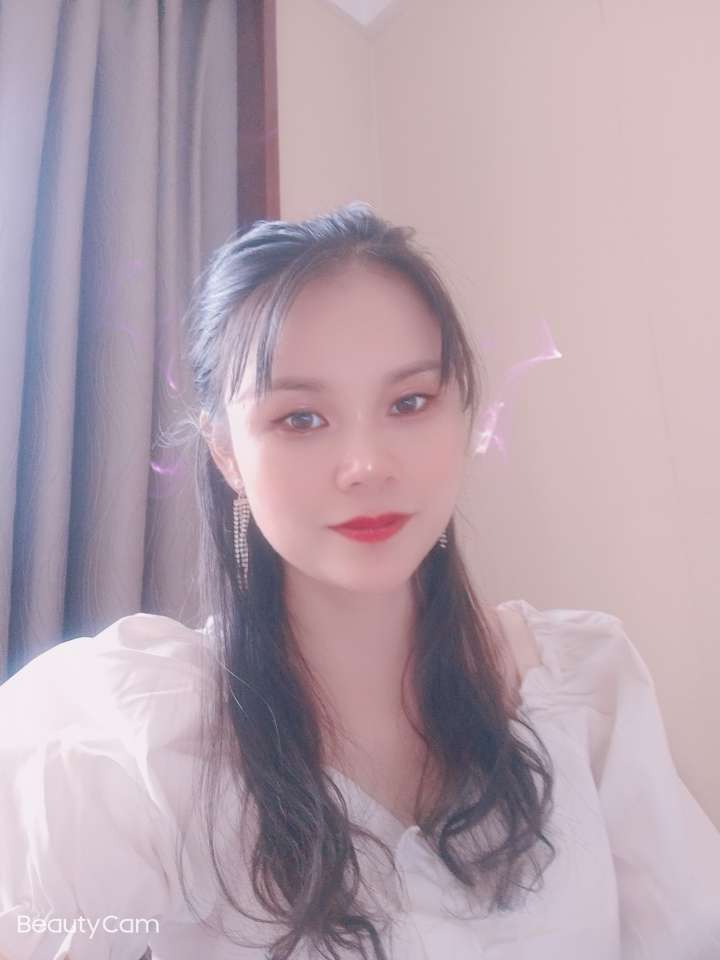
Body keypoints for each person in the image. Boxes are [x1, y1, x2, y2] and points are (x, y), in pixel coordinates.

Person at [1, 203, 719, 960]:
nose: (368, 465)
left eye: (410, 403)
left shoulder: (584, 688)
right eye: (301, 419)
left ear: (461, 415)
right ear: (226, 455)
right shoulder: (134, 739)